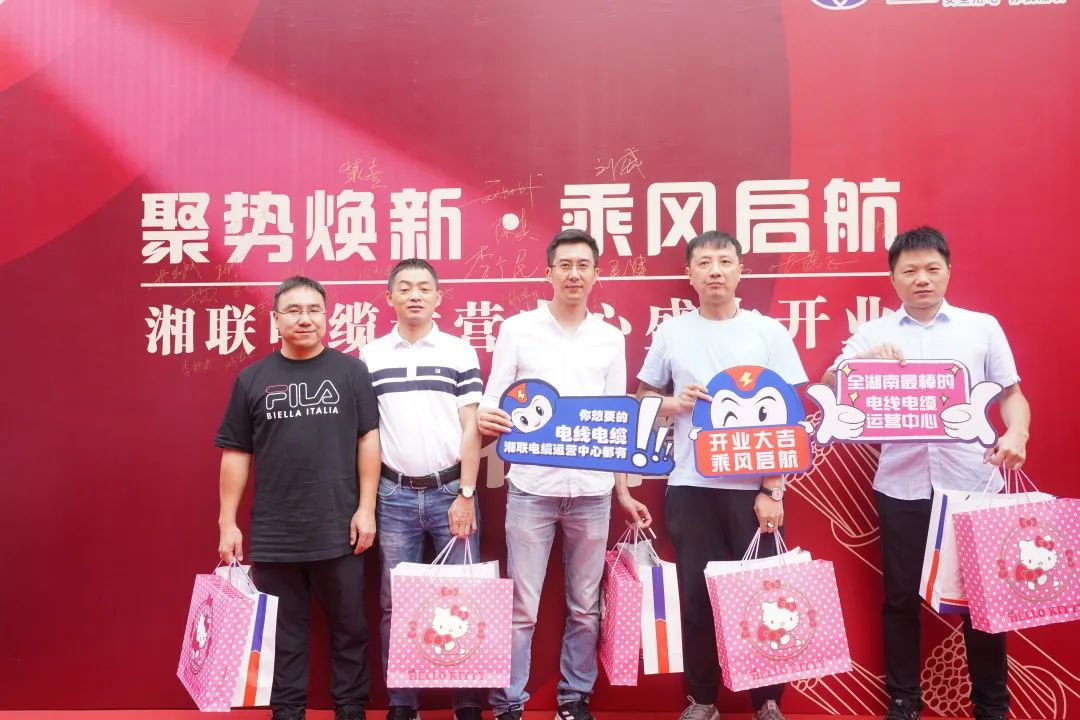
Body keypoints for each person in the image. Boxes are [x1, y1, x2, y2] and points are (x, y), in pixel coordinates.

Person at [821, 226, 1029, 720]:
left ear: (948, 271)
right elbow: (829, 384)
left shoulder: (981, 327)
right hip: (902, 485)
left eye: (932, 269)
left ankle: (992, 706)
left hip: (974, 481)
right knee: (899, 598)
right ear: (893, 278)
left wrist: (1017, 434)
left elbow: (1012, 394)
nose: (922, 279)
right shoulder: (874, 333)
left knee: (984, 600)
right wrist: (861, 363)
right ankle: (903, 701)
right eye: (910, 270)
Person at [477, 229, 651, 720]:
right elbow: (493, 399)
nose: (574, 274)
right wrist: (490, 417)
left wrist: (621, 492)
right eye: (565, 265)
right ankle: (508, 702)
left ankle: (574, 697)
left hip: (592, 492)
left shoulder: (609, 338)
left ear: (596, 274)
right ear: (549, 272)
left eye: (583, 265)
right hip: (532, 487)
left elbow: (616, 422)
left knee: (585, 605)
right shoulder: (518, 330)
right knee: (522, 607)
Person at [635, 231, 808, 720]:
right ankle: (703, 699)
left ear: (740, 270)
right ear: (689, 274)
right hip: (691, 487)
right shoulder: (672, 333)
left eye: (725, 261)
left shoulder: (767, 332)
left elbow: (791, 414)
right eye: (704, 262)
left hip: (754, 489)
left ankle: (767, 700)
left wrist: (773, 487)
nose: (715, 270)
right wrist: (674, 403)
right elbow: (643, 400)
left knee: (765, 595)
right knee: (696, 597)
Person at [216, 276, 381, 720]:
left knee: (350, 626)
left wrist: (366, 509)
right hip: (276, 532)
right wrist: (227, 522)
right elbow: (236, 452)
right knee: (284, 631)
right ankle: (287, 710)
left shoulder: (351, 372)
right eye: (293, 310)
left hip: (339, 526)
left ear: (327, 316)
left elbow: (368, 439)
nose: (304, 319)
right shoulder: (252, 379)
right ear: (275, 319)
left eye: (313, 310)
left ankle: (350, 707)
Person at [361, 258, 484, 720]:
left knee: (462, 598)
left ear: (438, 297)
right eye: (405, 288)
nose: (415, 295)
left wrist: (466, 494)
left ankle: (466, 702)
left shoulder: (459, 351)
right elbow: (367, 434)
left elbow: (471, 426)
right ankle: (402, 703)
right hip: (392, 496)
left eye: (424, 288)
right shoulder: (371, 356)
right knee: (396, 604)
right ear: (389, 297)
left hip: (451, 491)